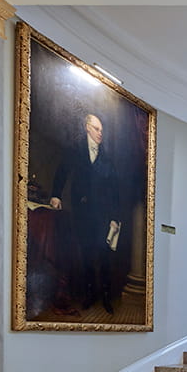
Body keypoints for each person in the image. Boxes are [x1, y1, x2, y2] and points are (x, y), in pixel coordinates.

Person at [50, 113, 121, 314]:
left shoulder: (107, 157)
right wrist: (56, 194)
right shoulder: (76, 149)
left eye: (102, 130)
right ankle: (90, 295)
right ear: (87, 127)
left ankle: (106, 298)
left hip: (104, 215)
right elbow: (62, 171)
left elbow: (115, 190)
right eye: (97, 129)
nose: (101, 134)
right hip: (83, 212)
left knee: (105, 257)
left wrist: (115, 218)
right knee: (87, 256)